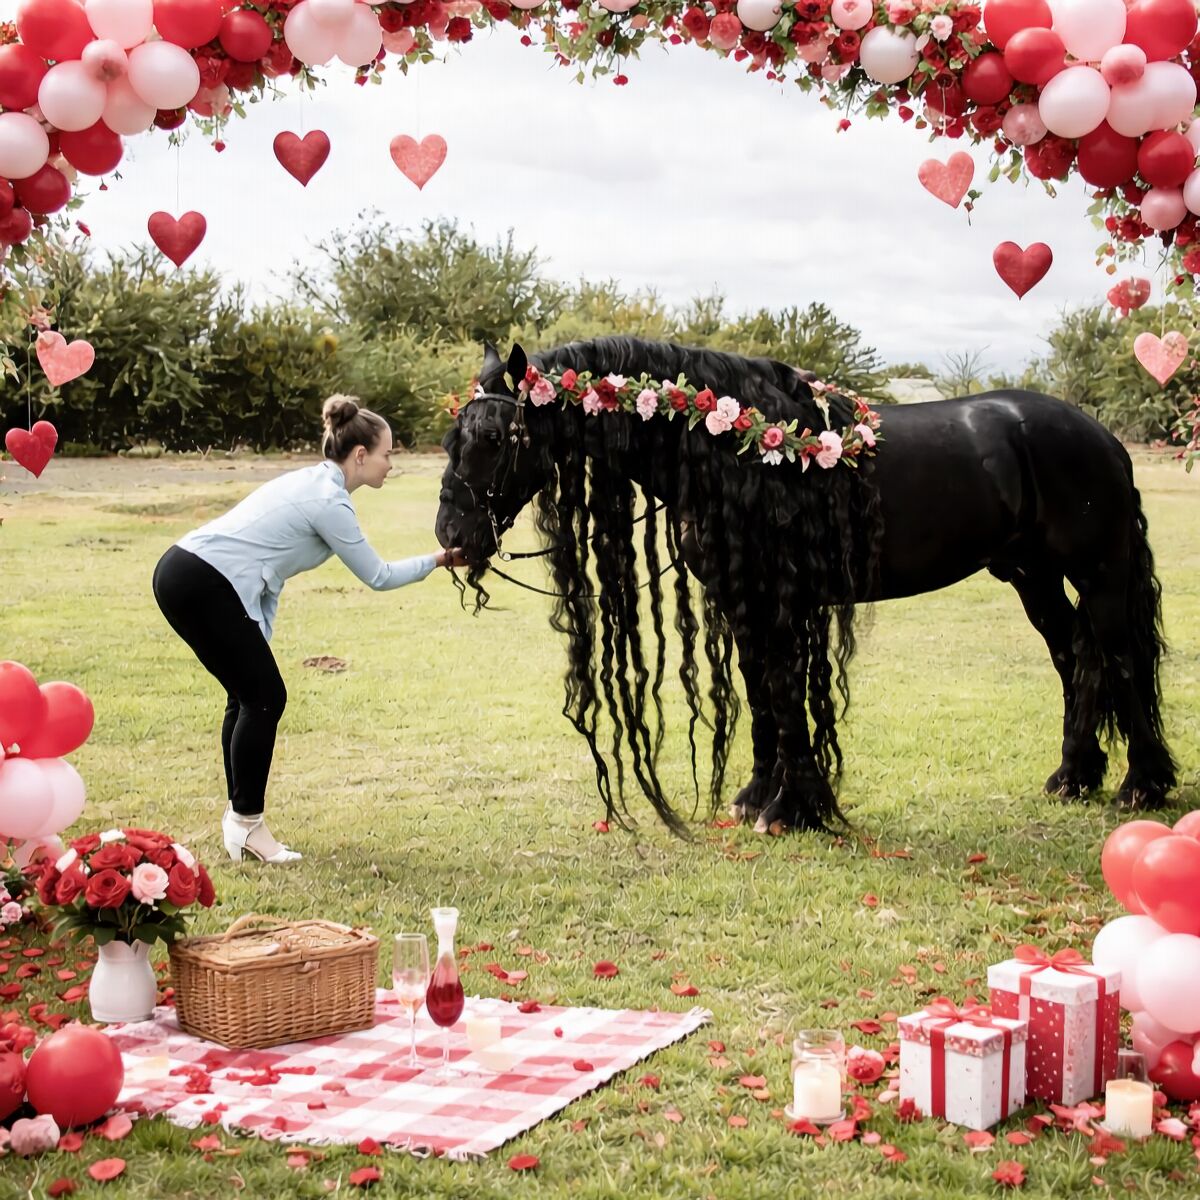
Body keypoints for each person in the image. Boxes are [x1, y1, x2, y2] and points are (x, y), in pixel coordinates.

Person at [152, 396, 465, 864]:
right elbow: (378, 576)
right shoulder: (328, 501)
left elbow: (265, 566)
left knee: (247, 696)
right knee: (263, 697)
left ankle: (242, 822)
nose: (391, 464)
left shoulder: (315, 483)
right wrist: (440, 560)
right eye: (388, 454)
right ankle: (245, 824)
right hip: (200, 579)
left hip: (184, 571)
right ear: (360, 455)